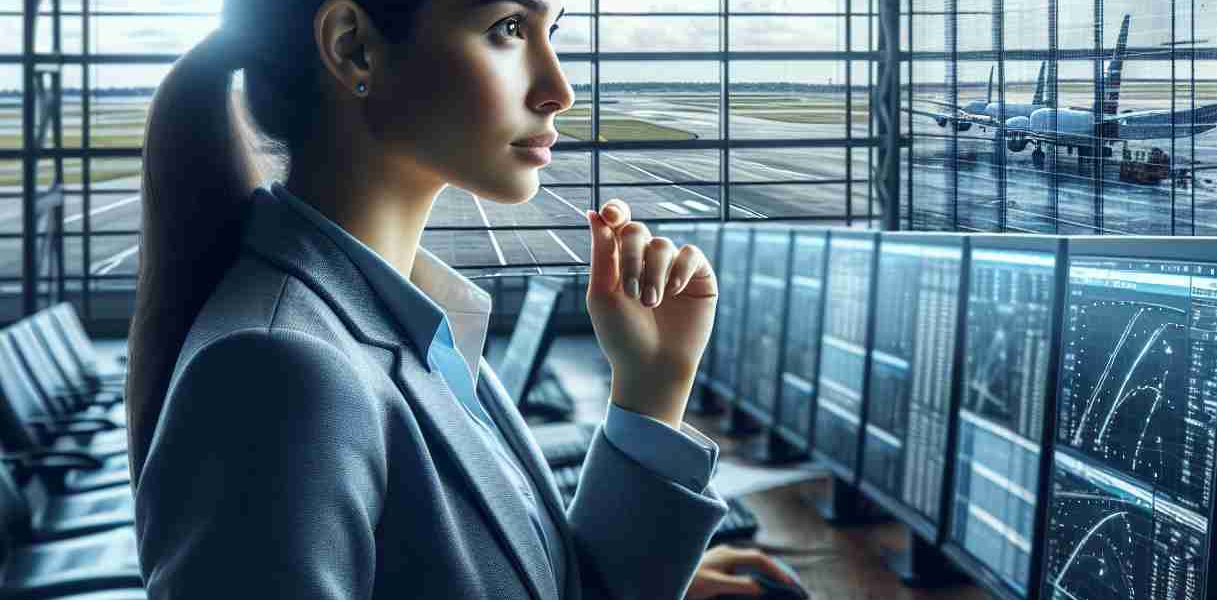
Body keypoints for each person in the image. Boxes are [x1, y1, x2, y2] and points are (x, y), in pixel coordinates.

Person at [125, 0, 791, 597]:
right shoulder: (278, 375)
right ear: (354, 47)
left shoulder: (396, 318)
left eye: (551, 30)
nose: (560, 89)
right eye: (508, 28)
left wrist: (651, 392)